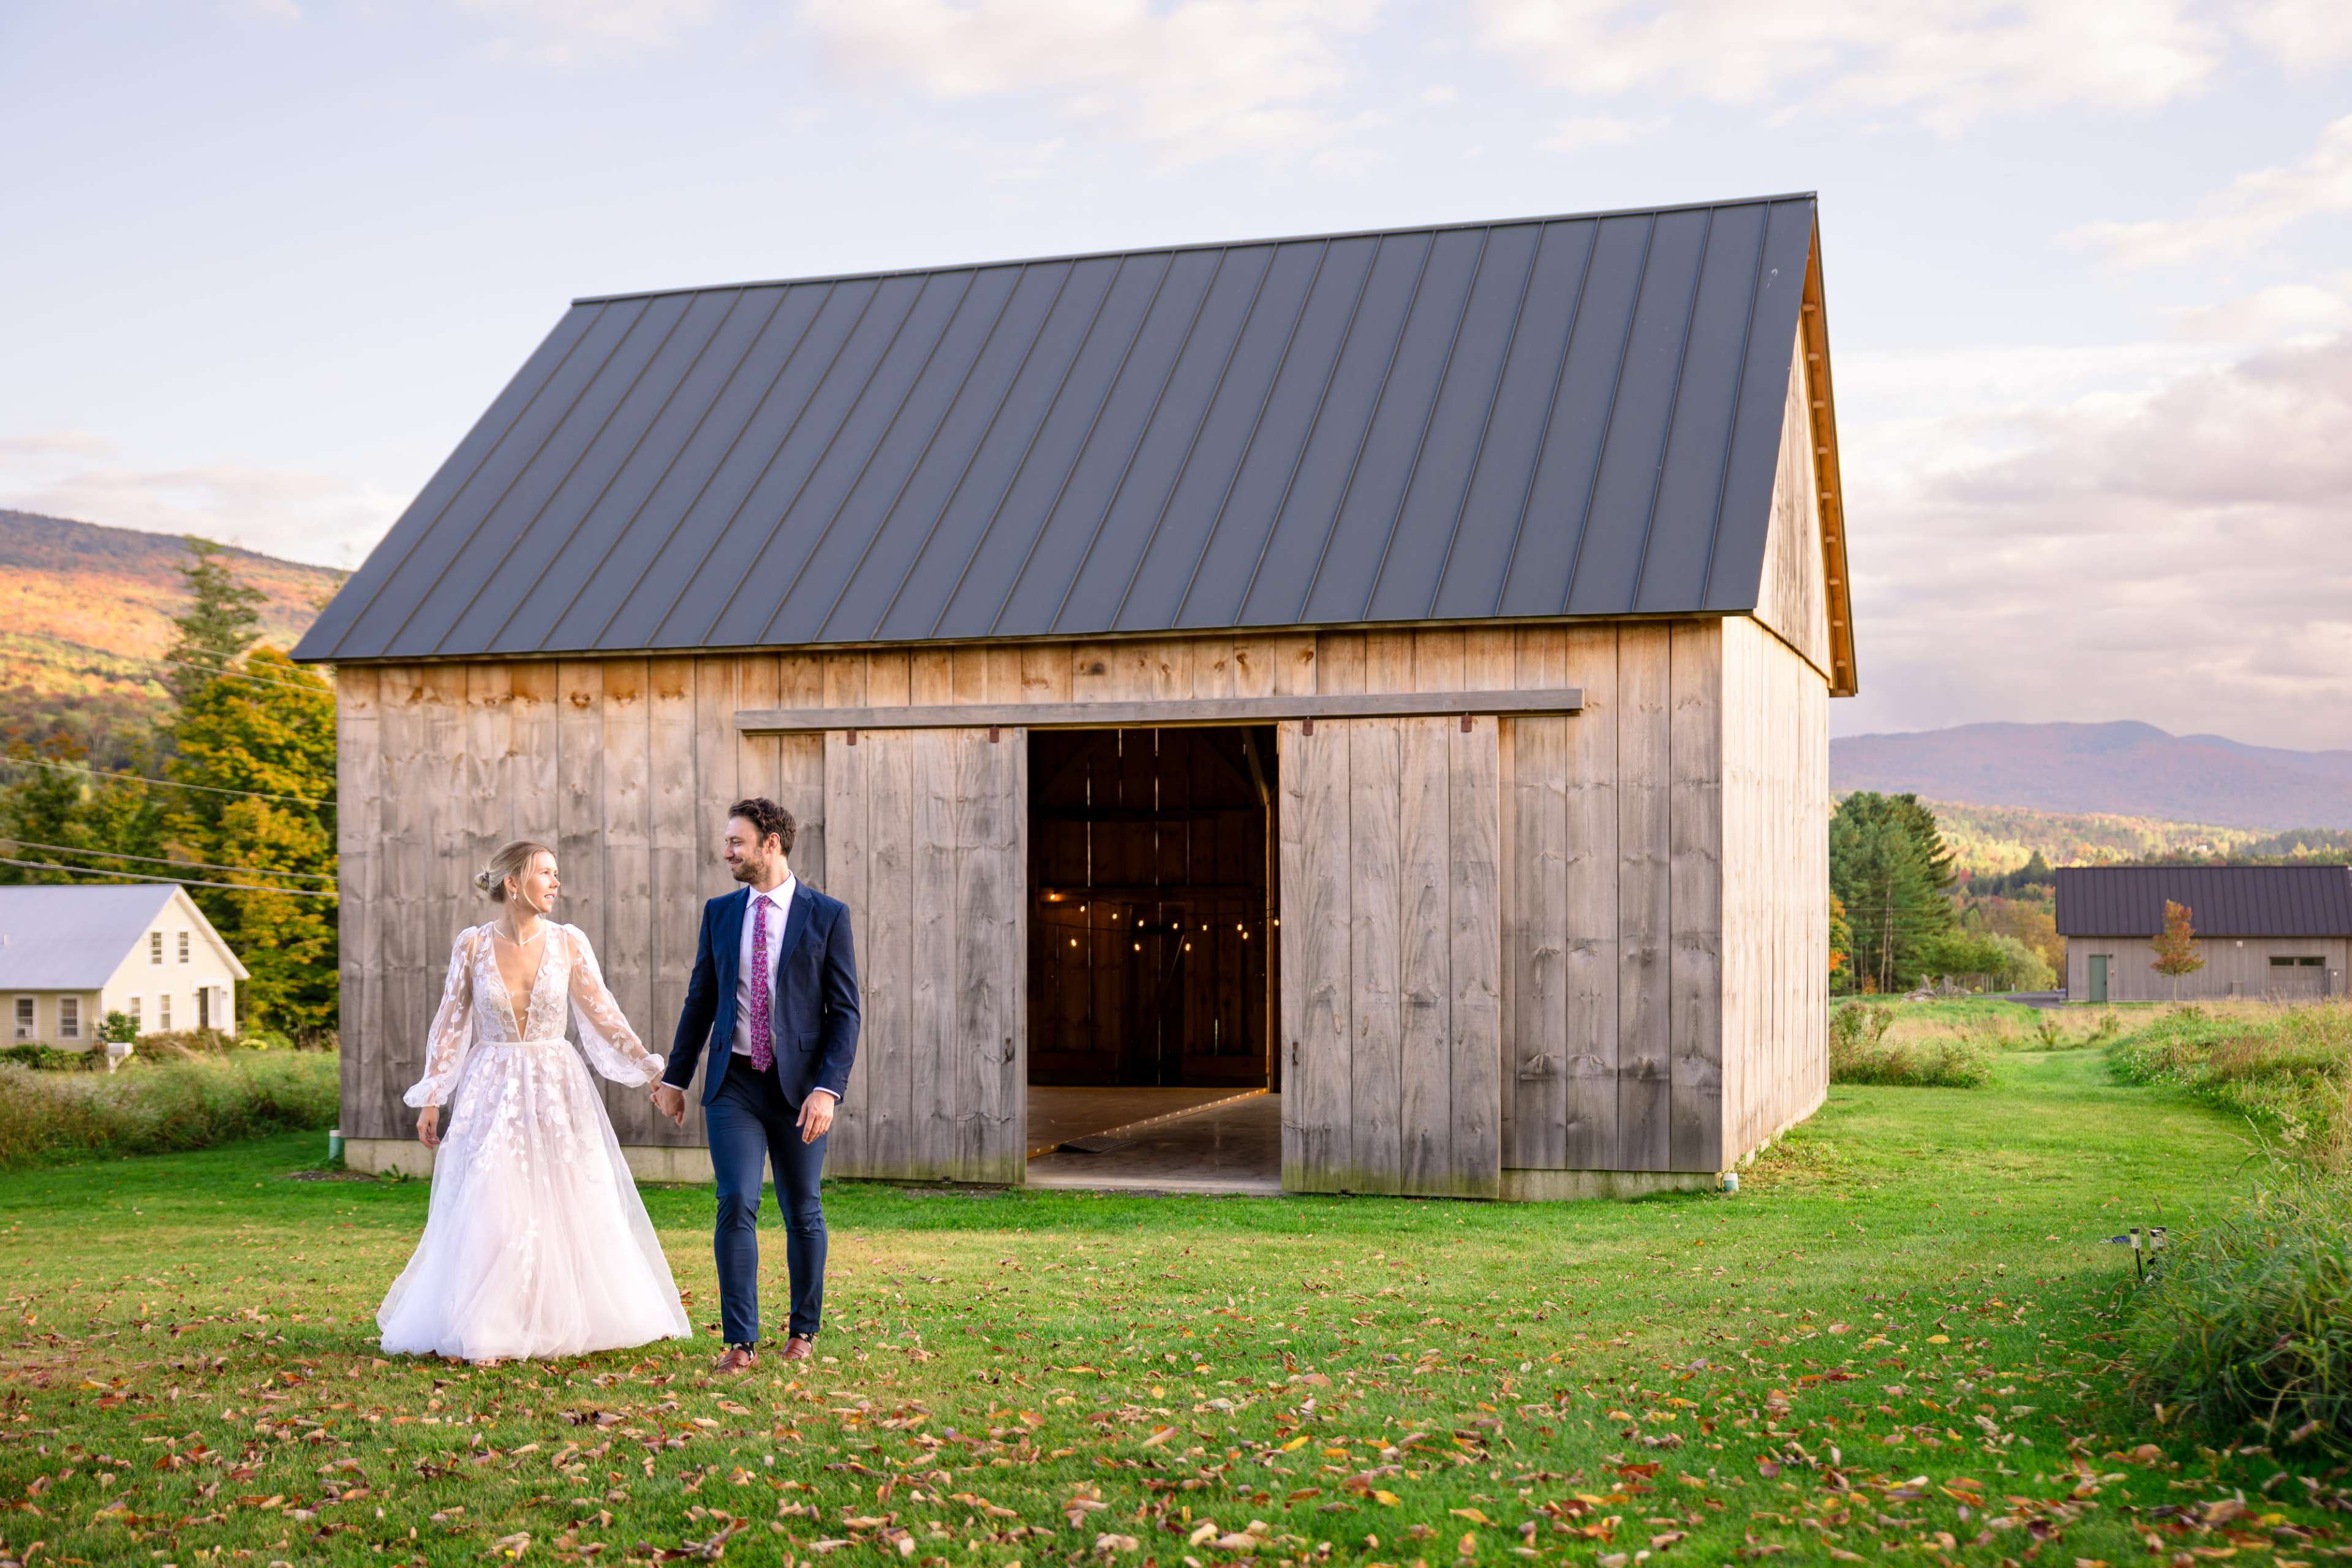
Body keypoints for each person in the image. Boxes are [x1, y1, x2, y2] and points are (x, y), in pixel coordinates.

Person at [377, 840, 690, 1364]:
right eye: (547, 872)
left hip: (555, 1086)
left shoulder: (569, 943)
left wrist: (652, 1072)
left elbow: (604, 1015)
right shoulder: (472, 946)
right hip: (490, 1085)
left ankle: (559, 1316)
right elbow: (450, 1024)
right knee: (492, 1197)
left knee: (565, 1197)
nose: (556, 882)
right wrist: (432, 1097)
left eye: (557, 873)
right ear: (513, 883)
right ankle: (490, 1325)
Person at [653, 797, 859, 1376]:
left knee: (802, 1209)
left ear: (772, 843)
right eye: (726, 842)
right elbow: (701, 1000)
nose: (726, 853)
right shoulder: (721, 913)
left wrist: (828, 1090)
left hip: (799, 1092)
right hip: (734, 1083)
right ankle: (740, 1340)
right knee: (736, 1200)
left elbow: (846, 1013)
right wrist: (676, 1077)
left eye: (736, 843)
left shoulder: (827, 915)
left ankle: (803, 1331)